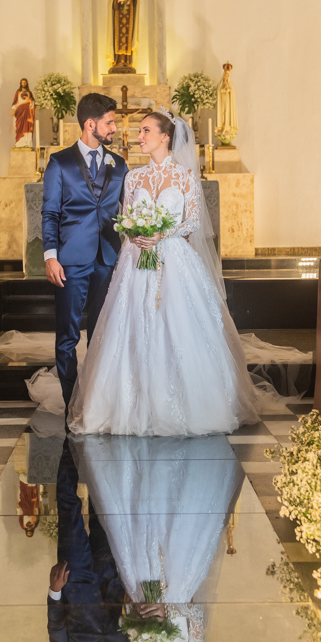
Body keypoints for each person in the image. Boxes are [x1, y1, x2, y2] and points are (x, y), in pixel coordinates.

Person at [67, 108, 260, 436]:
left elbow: (193, 221)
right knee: (130, 325)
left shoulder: (185, 177)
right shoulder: (133, 177)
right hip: (136, 259)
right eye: (139, 131)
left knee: (177, 323)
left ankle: (190, 405)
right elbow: (127, 217)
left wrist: (162, 234)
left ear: (165, 137)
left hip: (173, 259)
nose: (139, 136)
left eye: (145, 130)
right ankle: (123, 405)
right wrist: (135, 234)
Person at [71, 434, 245, 642]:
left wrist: (135, 609)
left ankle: (139, 449)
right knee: (176, 511)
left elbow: (127, 609)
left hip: (139, 575)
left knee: (140, 510)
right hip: (178, 578)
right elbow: (196, 614)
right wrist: (169, 612)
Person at [41, 93, 128, 411]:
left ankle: (97, 401)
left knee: (102, 335)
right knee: (67, 336)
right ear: (90, 124)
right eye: (110, 122)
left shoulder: (119, 164)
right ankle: (71, 404)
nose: (114, 128)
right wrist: (51, 256)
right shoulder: (59, 163)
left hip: (108, 259)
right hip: (70, 261)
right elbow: (50, 213)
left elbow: (130, 209)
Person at [47, 443, 131, 642]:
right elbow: (128, 621)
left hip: (75, 581)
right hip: (109, 576)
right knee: (101, 507)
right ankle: (97, 443)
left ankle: (69, 441)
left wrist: (55, 591)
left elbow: (56, 629)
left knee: (69, 508)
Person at [107, 0, 140, 74]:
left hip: (129, 18)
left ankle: (128, 62)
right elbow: (111, 3)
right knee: (118, 39)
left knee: (128, 38)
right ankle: (117, 62)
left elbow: (136, 2)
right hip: (118, 18)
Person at [11, 78, 35, 147]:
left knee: (27, 127)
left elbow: (33, 102)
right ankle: (19, 143)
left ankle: (27, 143)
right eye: (22, 83)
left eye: (25, 82)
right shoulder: (18, 92)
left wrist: (30, 102)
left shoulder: (29, 93)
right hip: (20, 112)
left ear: (27, 83)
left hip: (28, 113)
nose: (23, 84)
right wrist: (13, 109)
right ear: (21, 83)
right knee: (19, 127)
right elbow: (15, 102)